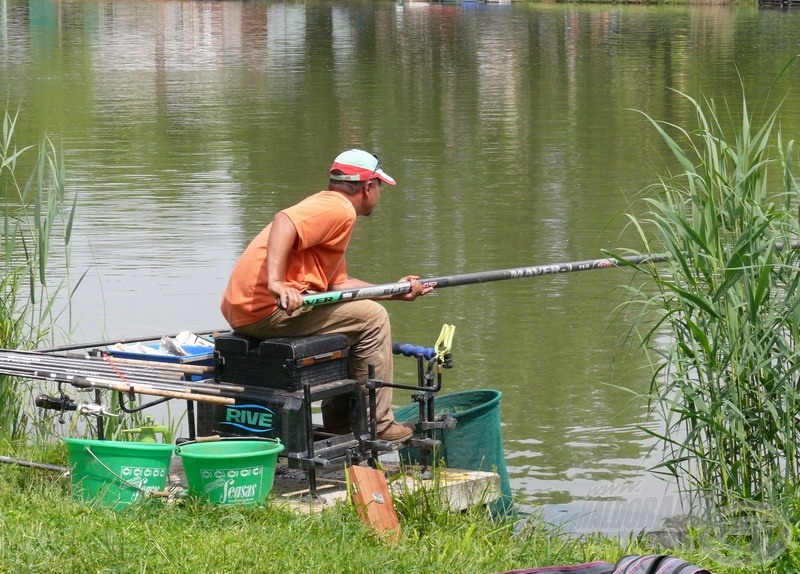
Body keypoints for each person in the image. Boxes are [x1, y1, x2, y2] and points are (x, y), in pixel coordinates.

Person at [220, 149, 432, 443]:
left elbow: (337, 285)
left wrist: (395, 291)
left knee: (360, 313)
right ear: (368, 187)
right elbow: (284, 221)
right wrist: (278, 283)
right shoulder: (338, 208)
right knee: (373, 318)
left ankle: (340, 424)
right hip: (267, 309)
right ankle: (379, 424)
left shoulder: (328, 211)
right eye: (380, 188)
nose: (379, 196)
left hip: (245, 311)